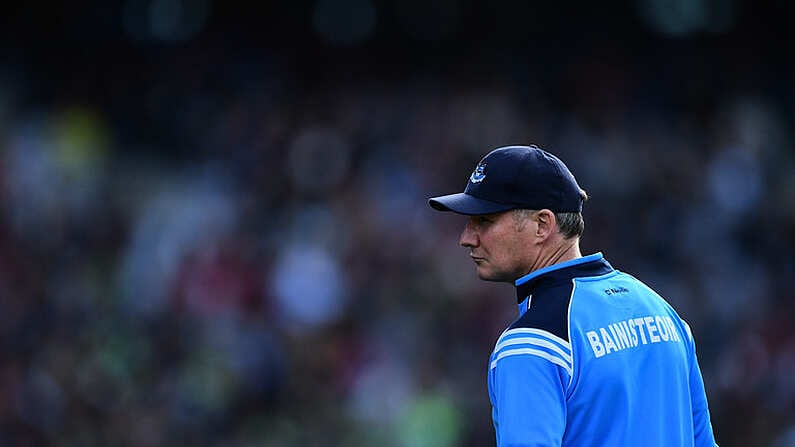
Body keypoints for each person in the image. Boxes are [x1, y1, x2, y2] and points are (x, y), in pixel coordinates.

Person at [428, 145, 718, 446]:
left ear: (542, 225)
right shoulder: (663, 313)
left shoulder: (530, 343)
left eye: (484, 221)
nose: (466, 238)